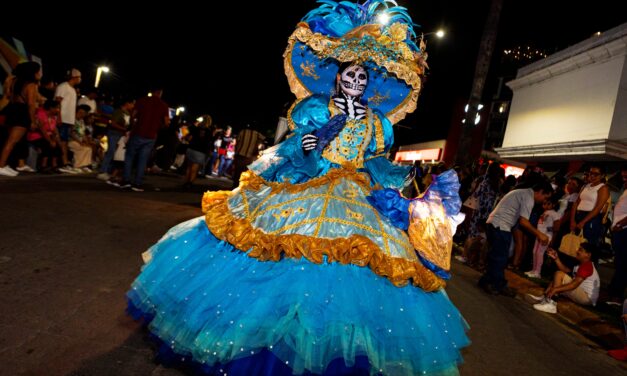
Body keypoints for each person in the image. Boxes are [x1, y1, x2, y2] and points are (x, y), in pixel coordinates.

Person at [126, 2, 469, 375]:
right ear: (338, 78)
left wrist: (406, 177)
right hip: (308, 185)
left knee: (363, 265)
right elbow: (294, 149)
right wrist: (307, 149)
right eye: (350, 77)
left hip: (355, 195)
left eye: (362, 79)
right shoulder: (315, 109)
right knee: (277, 252)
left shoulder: (376, 123)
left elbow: (375, 163)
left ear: (368, 84)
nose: (355, 83)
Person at [478, 181, 554, 296]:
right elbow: (523, 222)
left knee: (497, 256)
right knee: (500, 258)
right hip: (500, 226)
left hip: (496, 224)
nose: (544, 201)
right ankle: (496, 284)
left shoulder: (522, 193)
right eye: (545, 197)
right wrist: (539, 234)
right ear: (541, 192)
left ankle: (488, 281)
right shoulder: (528, 197)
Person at [530, 243, 601, 313]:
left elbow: (574, 284)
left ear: (588, 255)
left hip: (586, 298)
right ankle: (545, 298)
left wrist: (556, 289)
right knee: (557, 276)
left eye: (580, 250)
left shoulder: (587, 266)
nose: (577, 251)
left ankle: (552, 304)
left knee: (559, 274)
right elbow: (565, 271)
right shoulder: (581, 264)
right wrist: (556, 259)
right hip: (581, 293)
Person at [0, 61, 42, 177]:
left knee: (11, 140)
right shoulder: (31, 85)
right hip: (22, 113)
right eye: (38, 70)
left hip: (12, 110)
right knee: (11, 142)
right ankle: (1, 166)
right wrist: (33, 120)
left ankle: (5, 164)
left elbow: (7, 95)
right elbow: (31, 104)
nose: (39, 73)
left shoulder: (14, 81)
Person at [570, 164, 610, 246]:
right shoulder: (585, 186)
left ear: (602, 175)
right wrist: (572, 220)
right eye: (590, 173)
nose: (592, 176)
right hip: (579, 216)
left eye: (596, 174)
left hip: (591, 218)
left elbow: (598, 208)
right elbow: (576, 203)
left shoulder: (603, 188)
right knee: (575, 244)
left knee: (587, 245)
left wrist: (583, 222)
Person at [525, 196, 561, 278]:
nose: (546, 206)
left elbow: (556, 227)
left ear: (554, 204)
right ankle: (534, 270)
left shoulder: (555, 214)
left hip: (546, 236)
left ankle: (538, 272)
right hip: (539, 235)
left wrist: (551, 237)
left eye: (548, 204)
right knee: (535, 252)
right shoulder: (544, 212)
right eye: (544, 204)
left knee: (540, 253)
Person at [607, 165, 627, 304]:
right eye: (623, 176)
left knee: (623, 264)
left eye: (626, 176)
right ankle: (613, 291)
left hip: (624, 230)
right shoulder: (625, 190)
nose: (624, 179)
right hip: (619, 230)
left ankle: (616, 295)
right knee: (620, 262)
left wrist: (620, 224)